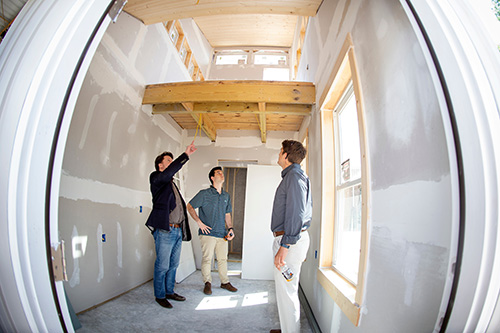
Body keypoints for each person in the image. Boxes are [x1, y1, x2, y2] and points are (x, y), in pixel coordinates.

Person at [145, 141, 197, 309]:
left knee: (173, 265)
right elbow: (169, 172)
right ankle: (159, 295)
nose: (171, 163)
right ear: (160, 165)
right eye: (168, 160)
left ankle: (169, 291)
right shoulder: (157, 179)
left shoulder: (171, 184)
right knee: (162, 265)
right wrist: (186, 155)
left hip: (176, 231)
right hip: (165, 230)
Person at [270, 140, 312, 333]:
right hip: (289, 239)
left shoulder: (294, 176)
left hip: (290, 242)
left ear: (286, 155)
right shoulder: (292, 176)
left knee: (288, 291)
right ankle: (288, 328)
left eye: (280, 152)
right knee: (286, 290)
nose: (279, 155)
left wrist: (284, 246)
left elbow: (297, 213)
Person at [187, 166, 238, 295]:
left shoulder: (226, 195)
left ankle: (224, 282)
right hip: (207, 234)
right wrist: (199, 222)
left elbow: (227, 214)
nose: (222, 174)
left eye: (222, 173)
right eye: (218, 173)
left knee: (222, 259)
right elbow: (190, 206)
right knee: (207, 259)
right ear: (212, 178)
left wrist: (230, 228)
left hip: (222, 234)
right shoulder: (204, 194)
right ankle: (207, 283)